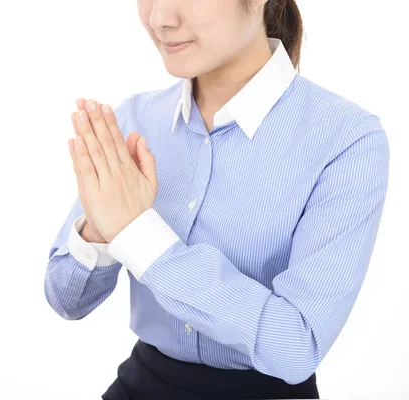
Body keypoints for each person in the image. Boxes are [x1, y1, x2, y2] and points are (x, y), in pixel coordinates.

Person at [44, 0, 390, 398]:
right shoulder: (135, 120)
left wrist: (138, 233)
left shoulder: (346, 139)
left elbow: (297, 347)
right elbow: (66, 299)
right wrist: (100, 230)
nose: (160, 18)